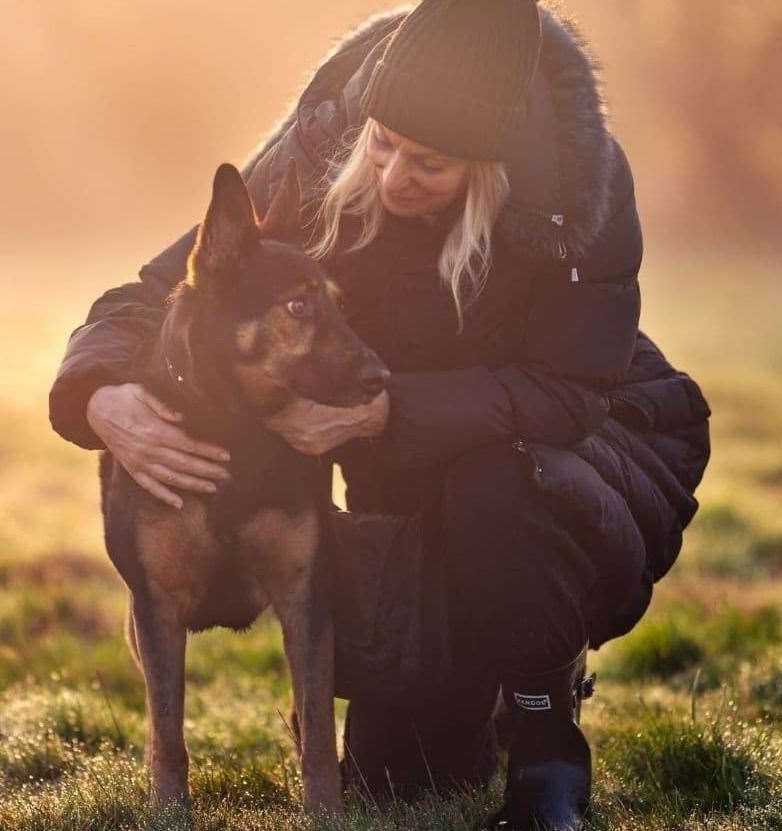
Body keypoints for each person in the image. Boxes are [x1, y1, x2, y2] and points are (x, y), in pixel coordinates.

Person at [49, 2, 711, 828]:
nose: (394, 176)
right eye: (385, 144)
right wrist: (97, 393)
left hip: (587, 445)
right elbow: (165, 289)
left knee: (493, 487)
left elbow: (571, 394)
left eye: (429, 164)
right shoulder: (328, 144)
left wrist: (379, 415)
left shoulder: (575, 199)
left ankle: (545, 739)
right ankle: (479, 687)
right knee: (399, 780)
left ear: (492, 165)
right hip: (411, 473)